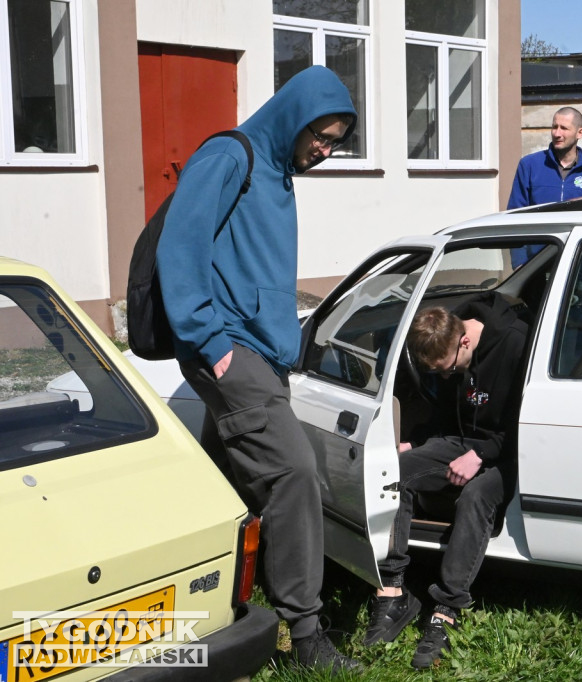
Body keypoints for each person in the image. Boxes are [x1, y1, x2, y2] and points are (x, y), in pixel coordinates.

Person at [155, 66, 361, 673]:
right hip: (228, 349)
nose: (323, 150)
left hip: (263, 354)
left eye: (334, 142)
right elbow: (180, 247)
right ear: (293, 118)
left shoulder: (280, 173)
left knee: (229, 480)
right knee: (294, 472)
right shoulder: (228, 156)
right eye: (318, 136)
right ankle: (305, 634)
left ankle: (222, 600)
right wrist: (209, 341)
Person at [363, 293, 527, 669]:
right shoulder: (451, 347)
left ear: (465, 340)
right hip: (462, 444)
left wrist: (481, 455)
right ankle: (393, 589)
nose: (446, 376)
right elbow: (449, 412)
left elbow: (527, 424)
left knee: (475, 496)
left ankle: (447, 608)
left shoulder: (515, 344)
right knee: (393, 475)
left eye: (447, 369)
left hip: (508, 453)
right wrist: (418, 442)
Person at [507, 107, 582, 266]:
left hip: (575, 266)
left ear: (580, 133)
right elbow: (515, 215)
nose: (557, 133)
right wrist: (519, 262)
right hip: (533, 265)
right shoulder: (529, 165)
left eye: (564, 128)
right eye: (554, 126)